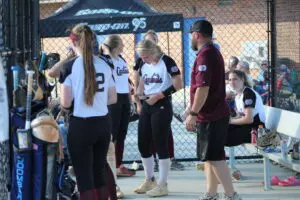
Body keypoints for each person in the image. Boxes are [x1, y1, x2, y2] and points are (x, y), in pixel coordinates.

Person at [60, 24, 117, 199]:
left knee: (84, 178)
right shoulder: (106, 63)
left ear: (73, 42)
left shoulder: (69, 67)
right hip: (102, 123)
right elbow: (112, 98)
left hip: (81, 125)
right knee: (99, 173)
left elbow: (66, 102)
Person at [186, 20, 241, 200]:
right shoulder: (208, 52)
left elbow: (203, 88)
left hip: (212, 115)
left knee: (216, 158)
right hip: (210, 114)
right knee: (209, 157)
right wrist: (192, 109)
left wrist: (193, 114)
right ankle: (211, 194)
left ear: (197, 35)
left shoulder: (206, 55)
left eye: (191, 35)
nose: (190, 38)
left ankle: (231, 195)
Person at [134, 39, 183, 197]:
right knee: (143, 142)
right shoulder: (143, 64)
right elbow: (142, 81)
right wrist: (139, 96)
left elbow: (178, 84)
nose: (143, 60)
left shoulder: (166, 61)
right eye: (141, 57)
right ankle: (150, 179)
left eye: (146, 56)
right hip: (148, 104)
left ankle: (163, 184)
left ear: (153, 51)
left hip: (161, 104)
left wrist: (159, 95)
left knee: (160, 143)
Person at [100, 34, 135, 179]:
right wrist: (107, 50)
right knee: (112, 134)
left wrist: (130, 99)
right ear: (114, 46)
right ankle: (108, 166)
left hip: (124, 98)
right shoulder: (106, 60)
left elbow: (124, 80)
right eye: (121, 43)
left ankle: (118, 164)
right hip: (113, 100)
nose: (124, 46)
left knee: (122, 133)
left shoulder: (122, 60)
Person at [226, 70, 266, 147]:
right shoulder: (238, 95)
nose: (232, 82)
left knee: (224, 137)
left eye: (235, 79)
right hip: (248, 126)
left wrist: (230, 121)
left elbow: (249, 119)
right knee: (219, 130)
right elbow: (241, 116)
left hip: (257, 129)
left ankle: (218, 158)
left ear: (242, 80)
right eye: (230, 80)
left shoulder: (248, 93)